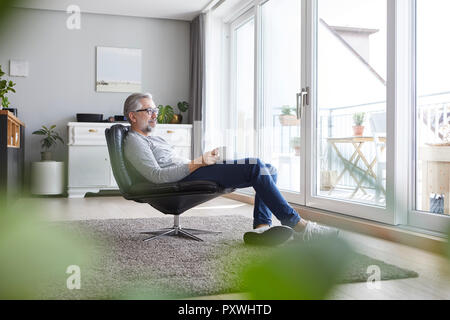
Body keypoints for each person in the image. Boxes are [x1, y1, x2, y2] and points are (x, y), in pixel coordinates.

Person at [123, 93, 339, 246]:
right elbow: (157, 176)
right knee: (255, 165)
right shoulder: (134, 141)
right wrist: (199, 161)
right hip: (182, 179)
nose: (154, 114)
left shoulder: (154, 138)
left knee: (268, 169)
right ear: (133, 116)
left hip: (190, 172)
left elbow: (173, 165)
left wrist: (205, 160)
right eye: (148, 110)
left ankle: (262, 227)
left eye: (155, 110)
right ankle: (298, 225)